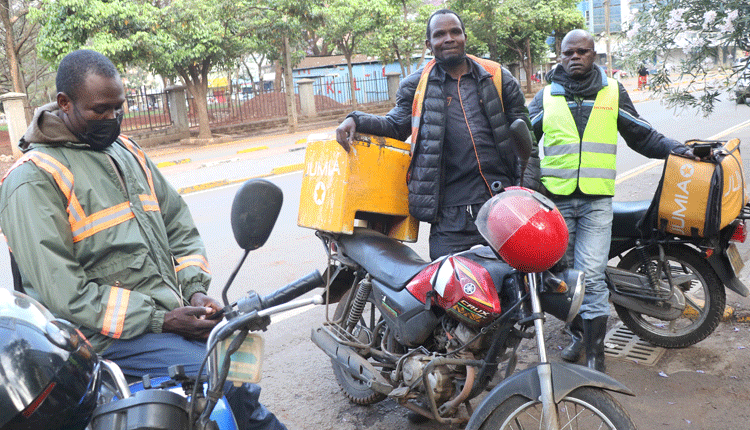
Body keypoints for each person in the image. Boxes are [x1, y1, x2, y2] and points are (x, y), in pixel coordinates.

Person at [0, 49, 285, 430]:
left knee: (237, 372)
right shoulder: (34, 178)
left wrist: (196, 292)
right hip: (100, 339)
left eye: (118, 108)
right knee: (219, 378)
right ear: (64, 103)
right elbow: (63, 293)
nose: (111, 119)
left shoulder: (127, 152)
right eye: (99, 110)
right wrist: (160, 320)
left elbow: (178, 225)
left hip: (166, 317)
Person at [527, 30, 691, 373]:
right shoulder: (546, 97)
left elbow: (642, 135)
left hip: (595, 204)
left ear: (594, 55)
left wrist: (679, 150)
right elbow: (521, 141)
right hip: (555, 203)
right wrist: (527, 180)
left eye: (582, 52)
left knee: (592, 276)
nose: (575, 57)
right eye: (568, 52)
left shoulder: (612, 92)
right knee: (562, 276)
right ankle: (578, 336)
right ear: (560, 57)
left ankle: (595, 357)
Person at [336, 9, 540, 260]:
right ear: (429, 44)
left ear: (465, 36)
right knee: (448, 293)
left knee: (515, 288)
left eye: (455, 32)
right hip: (449, 217)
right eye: (440, 34)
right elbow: (396, 126)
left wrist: (525, 192)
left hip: (501, 204)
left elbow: (527, 140)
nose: (449, 38)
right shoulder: (416, 85)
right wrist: (355, 119)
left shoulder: (497, 77)